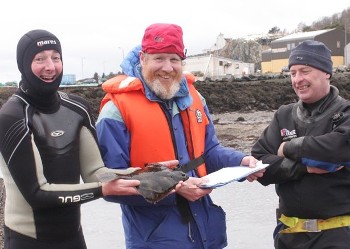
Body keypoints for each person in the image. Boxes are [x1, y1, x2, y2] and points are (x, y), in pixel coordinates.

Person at [0, 29, 178, 249]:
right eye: (40, 59)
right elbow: (37, 193)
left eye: (56, 58)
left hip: (73, 238)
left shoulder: (76, 109)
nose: (50, 66)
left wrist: (145, 173)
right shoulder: (13, 116)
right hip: (27, 240)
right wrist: (102, 190)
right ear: (24, 65)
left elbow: (96, 172)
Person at [96, 23, 264, 249]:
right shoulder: (115, 111)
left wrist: (241, 162)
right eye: (159, 58)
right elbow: (111, 184)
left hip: (205, 232)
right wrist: (175, 188)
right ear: (143, 57)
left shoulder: (195, 98)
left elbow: (209, 152)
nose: (167, 68)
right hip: (156, 238)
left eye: (174, 59)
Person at [251, 40, 350, 249]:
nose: (298, 79)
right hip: (288, 235)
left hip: (338, 236)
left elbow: (338, 150)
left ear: (326, 73)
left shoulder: (346, 114)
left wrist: (288, 148)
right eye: (293, 73)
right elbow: (260, 162)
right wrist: (303, 166)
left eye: (304, 71)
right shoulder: (284, 115)